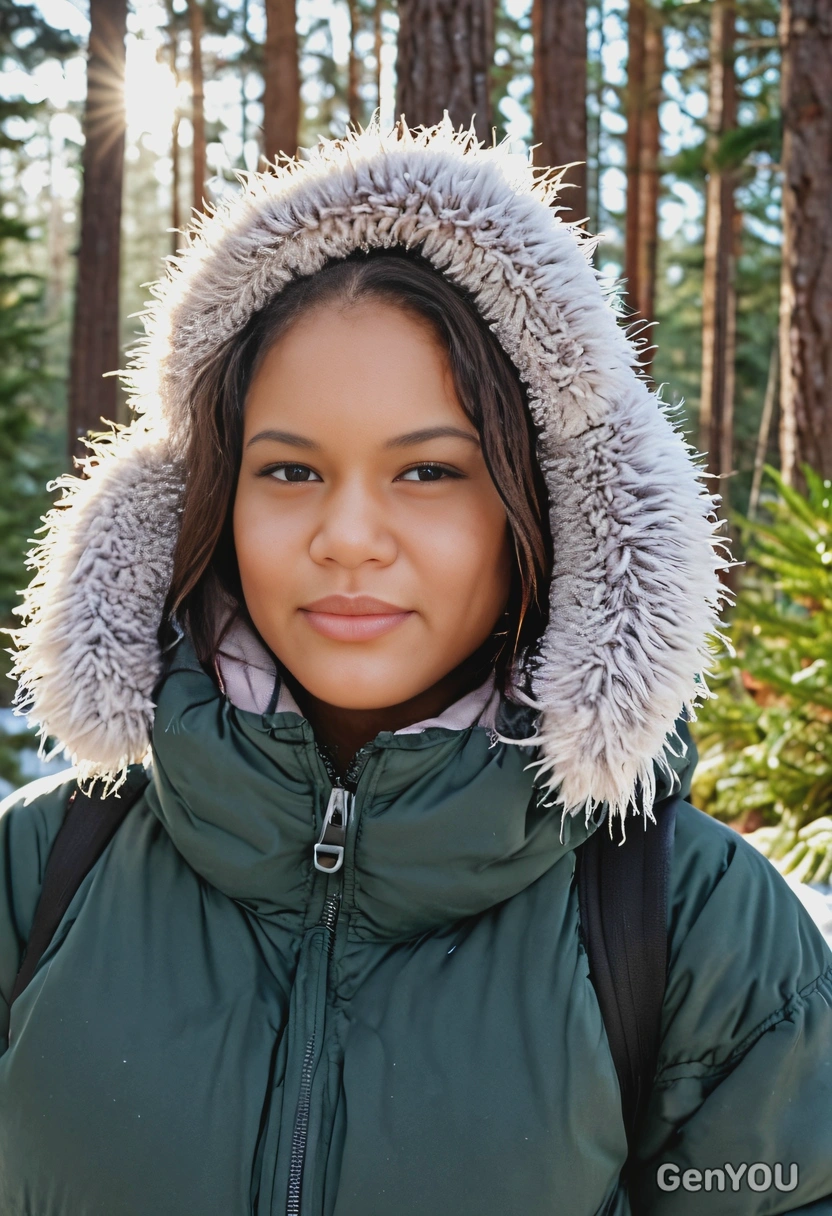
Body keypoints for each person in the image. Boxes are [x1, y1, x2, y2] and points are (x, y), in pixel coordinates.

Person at [0, 120, 830, 1216]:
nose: (348, 537)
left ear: (544, 506)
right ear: (209, 497)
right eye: (290, 470)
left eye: (429, 471)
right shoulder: (43, 869)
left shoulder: (692, 925)